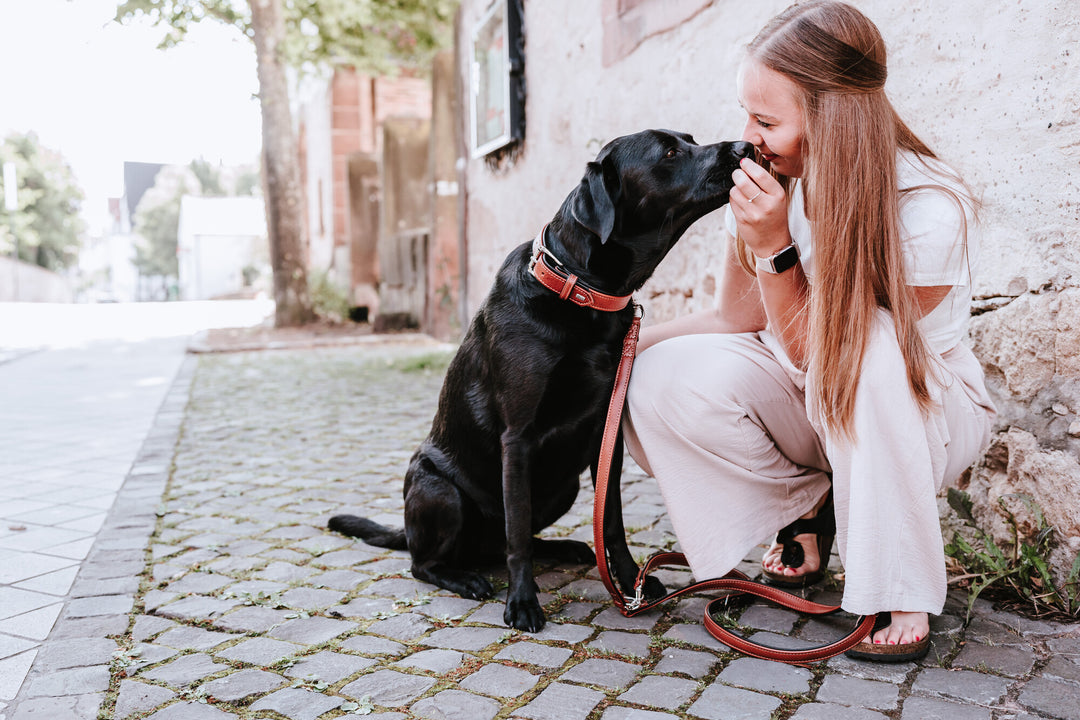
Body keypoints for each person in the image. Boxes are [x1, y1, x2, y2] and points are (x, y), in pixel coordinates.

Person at [622, 0, 996, 662]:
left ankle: (898, 584)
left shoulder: (928, 210)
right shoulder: (773, 182)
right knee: (653, 378)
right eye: (747, 115)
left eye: (766, 121)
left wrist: (774, 248)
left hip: (920, 407)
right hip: (813, 393)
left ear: (832, 118)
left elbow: (831, 353)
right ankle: (806, 507)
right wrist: (617, 345)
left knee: (873, 346)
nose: (748, 136)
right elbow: (737, 321)